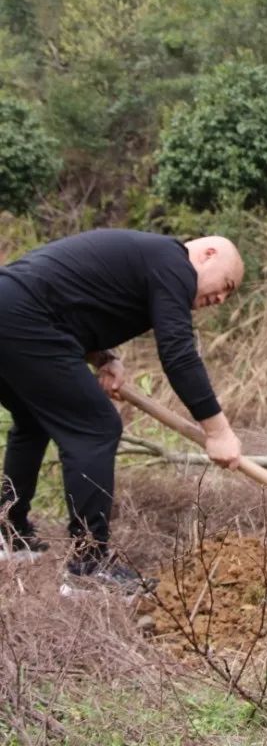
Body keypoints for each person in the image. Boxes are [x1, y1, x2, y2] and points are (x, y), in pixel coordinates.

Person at [0, 229, 244, 584]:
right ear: (207, 255)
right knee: (96, 429)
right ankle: (90, 566)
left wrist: (104, 357)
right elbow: (178, 353)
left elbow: (72, 299)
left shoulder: (151, 259)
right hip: (23, 316)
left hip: (11, 308)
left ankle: (10, 534)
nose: (221, 298)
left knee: (33, 421)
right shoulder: (173, 262)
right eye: (226, 285)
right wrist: (218, 431)